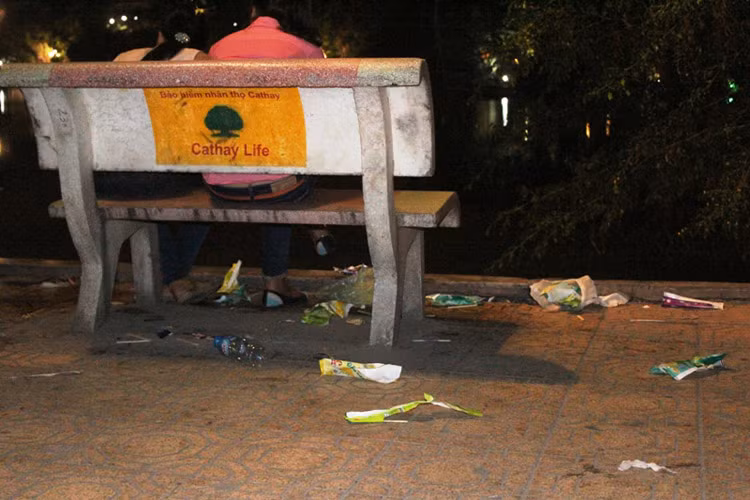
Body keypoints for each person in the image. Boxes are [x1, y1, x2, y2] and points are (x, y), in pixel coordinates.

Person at [205, 0, 328, 308]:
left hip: (220, 185)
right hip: (281, 185)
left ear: (253, 11)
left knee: (276, 168)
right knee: (285, 172)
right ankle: (314, 233)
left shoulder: (219, 48)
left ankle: (277, 283)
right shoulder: (306, 50)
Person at [97, 6, 214, 303]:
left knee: (153, 192)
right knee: (213, 190)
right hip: (157, 180)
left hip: (107, 178)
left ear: (160, 33)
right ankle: (175, 277)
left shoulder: (123, 58)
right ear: (196, 38)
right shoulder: (199, 59)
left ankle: (172, 278)